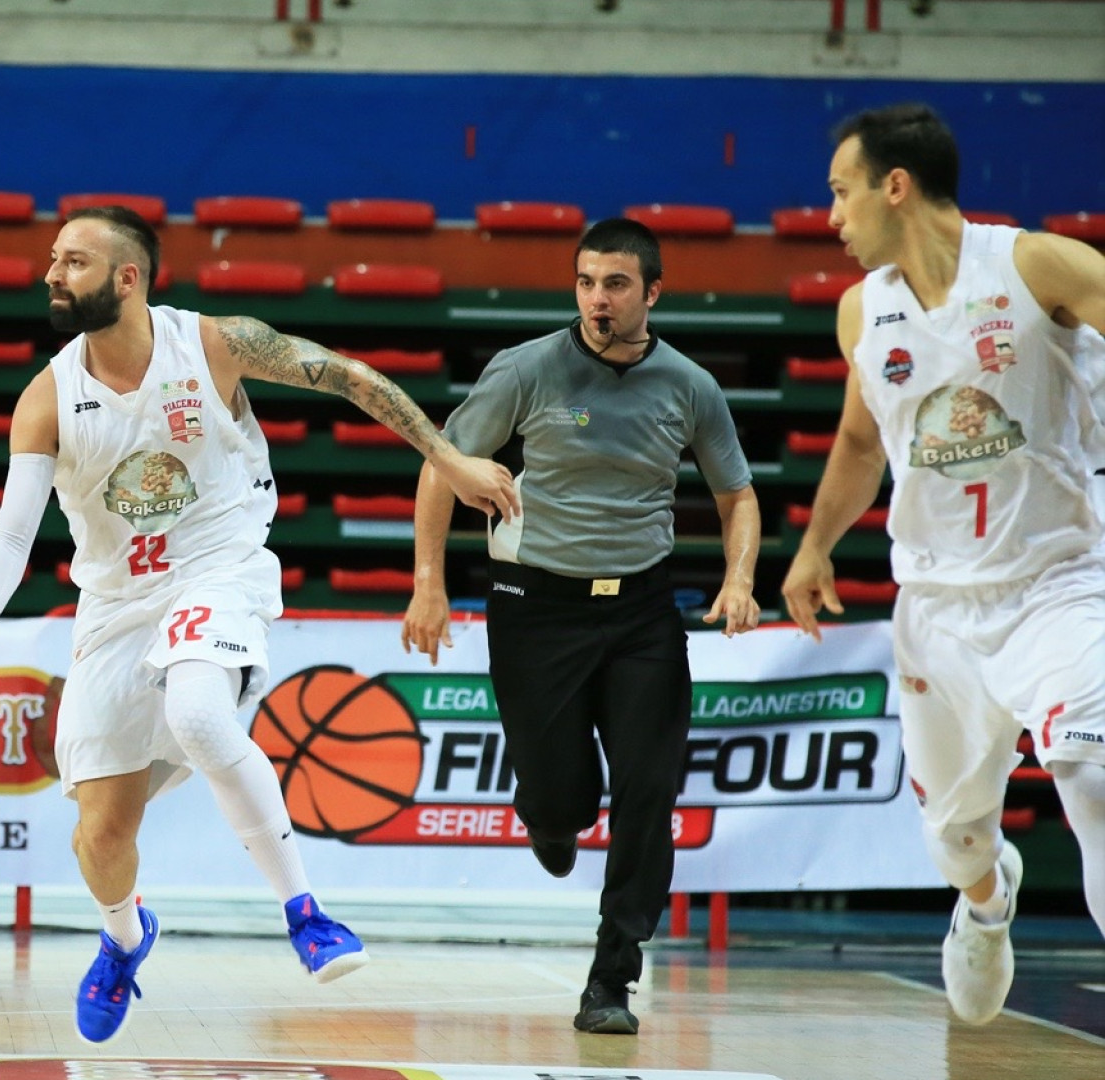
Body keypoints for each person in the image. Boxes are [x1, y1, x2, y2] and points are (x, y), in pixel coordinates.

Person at [0, 206, 519, 1044]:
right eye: (54, 260)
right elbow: (14, 531)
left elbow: (347, 376)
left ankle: (306, 914)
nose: (52, 275)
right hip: (116, 604)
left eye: (74, 262)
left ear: (127, 279)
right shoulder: (48, 397)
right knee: (100, 835)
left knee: (198, 712)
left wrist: (445, 457)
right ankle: (125, 939)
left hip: (220, 566)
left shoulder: (214, 344)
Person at [782, 103, 1105, 1025]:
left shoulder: (1035, 265)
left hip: (1060, 580)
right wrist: (813, 548)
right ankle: (985, 896)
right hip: (934, 604)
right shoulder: (862, 311)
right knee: (957, 839)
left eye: (841, 193)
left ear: (897, 186)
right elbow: (856, 441)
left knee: (1091, 774)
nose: (832, 217)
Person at [400, 217, 761, 1036]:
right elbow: (443, 466)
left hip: (642, 611)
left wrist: (740, 579)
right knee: (564, 798)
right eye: (587, 283)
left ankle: (612, 978)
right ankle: (553, 817)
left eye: (617, 285)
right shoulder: (525, 369)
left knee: (648, 790)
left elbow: (737, 494)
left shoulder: (690, 385)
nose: (599, 300)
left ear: (652, 292)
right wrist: (428, 585)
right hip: (536, 608)